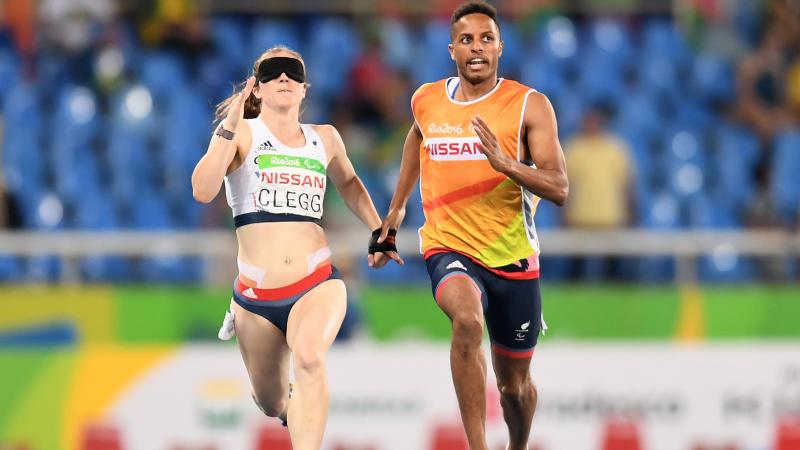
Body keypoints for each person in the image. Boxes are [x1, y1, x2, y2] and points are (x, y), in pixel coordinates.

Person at [369, 2, 569, 450]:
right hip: (448, 245)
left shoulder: (528, 106)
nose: (476, 47)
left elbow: (559, 186)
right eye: (466, 40)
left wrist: (507, 165)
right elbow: (418, 135)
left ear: (500, 46)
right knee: (465, 319)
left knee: (514, 389)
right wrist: (396, 212)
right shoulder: (426, 98)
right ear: (452, 50)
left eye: (485, 39)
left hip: (512, 257)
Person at [191, 46, 398, 450]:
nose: (283, 78)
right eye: (272, 72)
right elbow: (202, 190)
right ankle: (292, 411)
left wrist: (379, 230)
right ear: (258, 88)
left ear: (304, 88)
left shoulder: (326, 138)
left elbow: (351, 184)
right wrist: (228, 128)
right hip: (255, 296)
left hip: (316, 281)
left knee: (308, 357)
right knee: (270, 401)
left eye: (292, 72)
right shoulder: (244, 134)